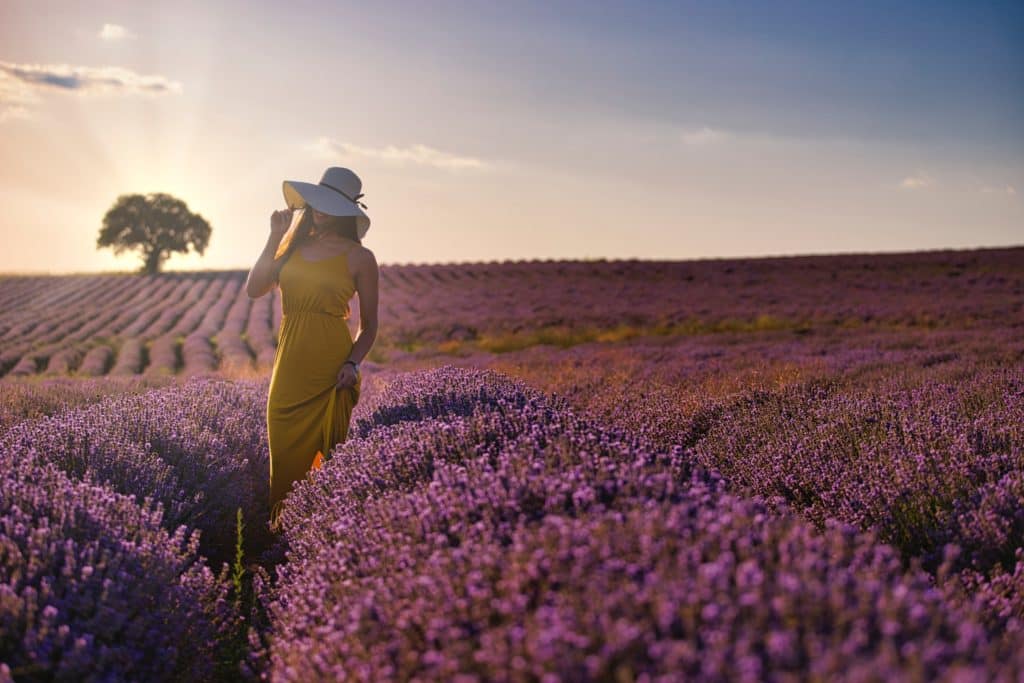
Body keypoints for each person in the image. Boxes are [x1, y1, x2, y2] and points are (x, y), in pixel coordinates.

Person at [245, 166, 379, 532]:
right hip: (288, 372)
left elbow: (369, 326)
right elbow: (255, 288)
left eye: (329, 204)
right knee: (285, 464)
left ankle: (323, 540)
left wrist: (352, 363)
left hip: (331, 371)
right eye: (317, 202)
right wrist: (275, 236)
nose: (319, 210)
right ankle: (283, 543)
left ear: (346, 211)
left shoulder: (361, 258)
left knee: (329, 462)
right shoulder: (294, 247)